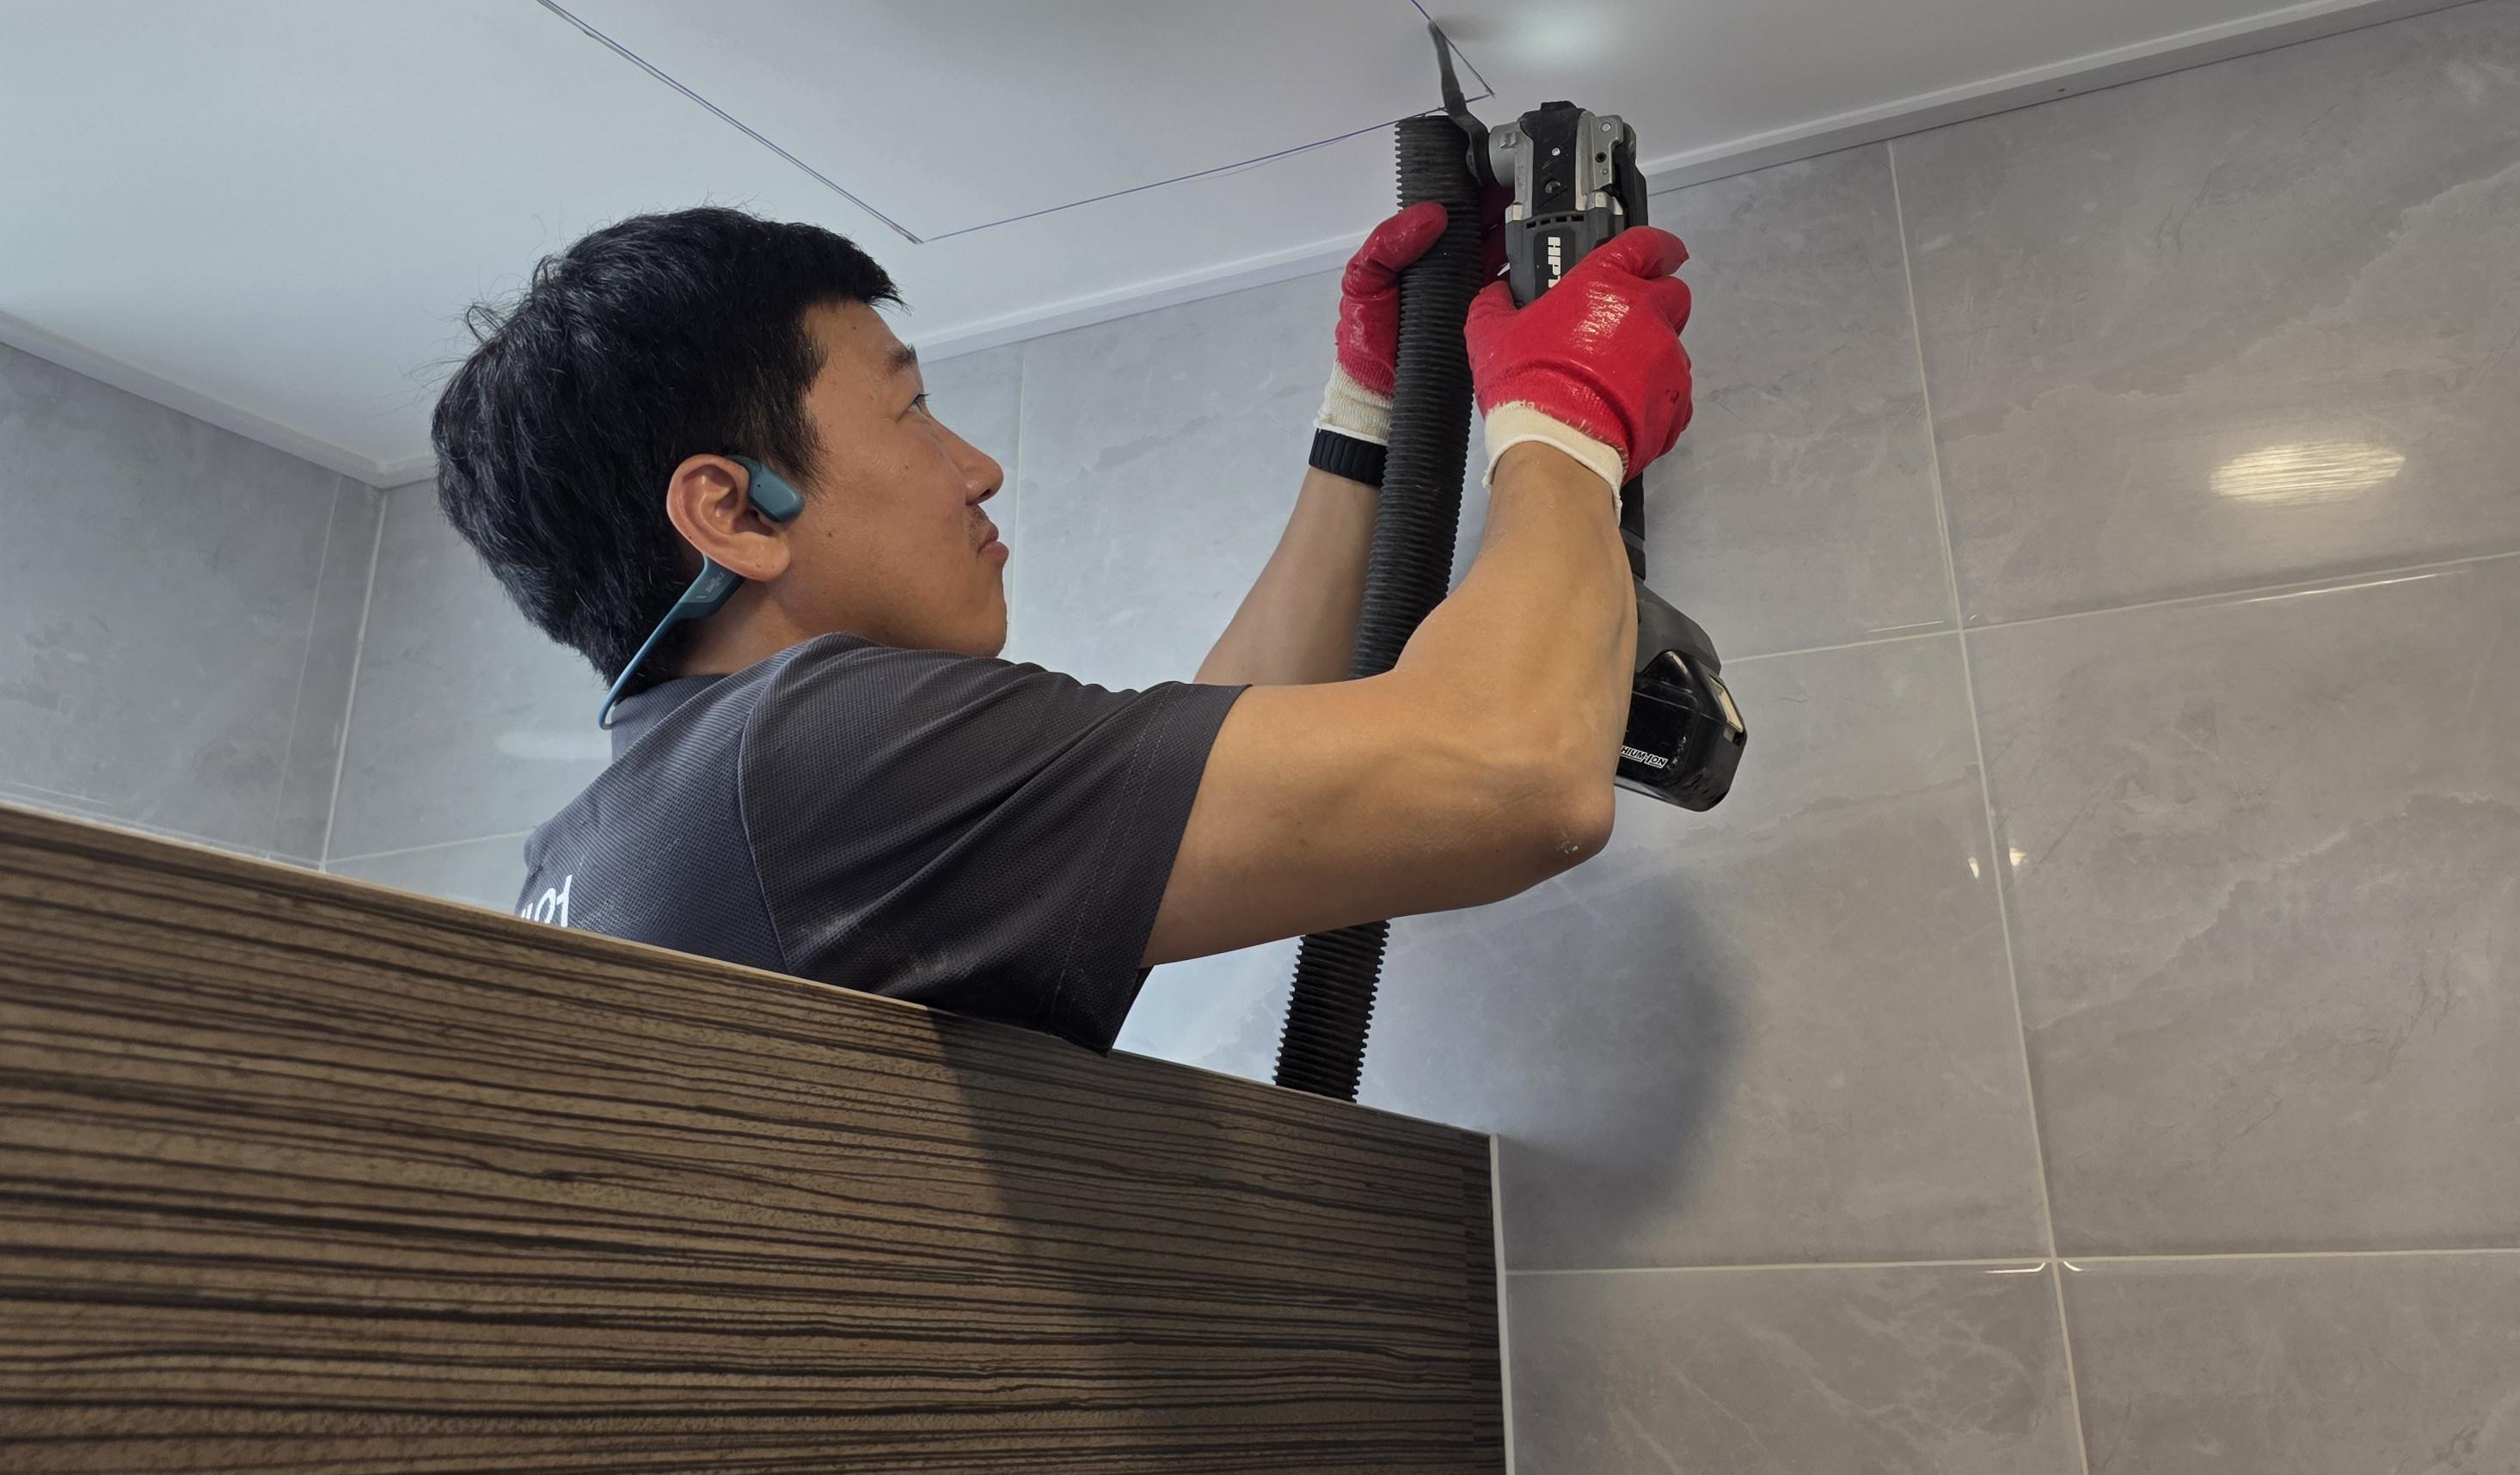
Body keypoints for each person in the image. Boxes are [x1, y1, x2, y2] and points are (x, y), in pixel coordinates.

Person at [430, 195, 1694, 1053]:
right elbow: (1515, 774)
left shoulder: (601, 844)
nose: (976, 468)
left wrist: (1371, 412)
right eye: (911, 412)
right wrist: (1564, 417)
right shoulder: (805, 747)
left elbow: (1209, 753)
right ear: (736, 513)